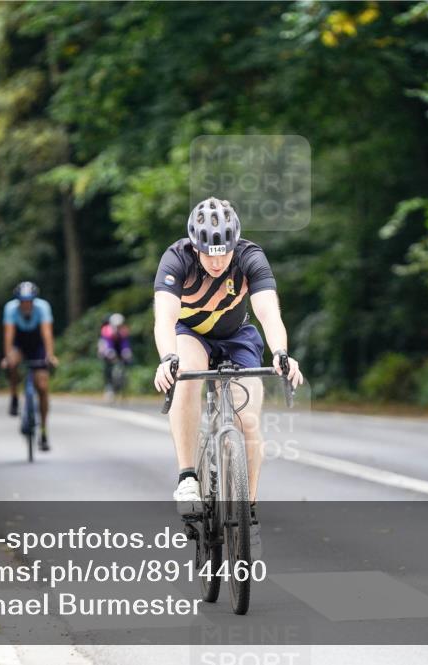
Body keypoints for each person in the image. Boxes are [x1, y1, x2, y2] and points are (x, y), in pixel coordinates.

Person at [152, 197, 304, 552]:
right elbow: (164, 319)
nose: (218, 261)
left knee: (247, 419)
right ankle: (188, 476)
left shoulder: (250, 256)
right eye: (209, 253)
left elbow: (268, 312)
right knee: (188, 372)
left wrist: (281, 352)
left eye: (225, 252)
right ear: (195, 245)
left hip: (238, 336)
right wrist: (167, 358)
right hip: (191, 335)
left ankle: (248, 513)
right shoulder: (176, 259)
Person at [1, 281, 58, 451]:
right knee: (12, 363)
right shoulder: (10, 309)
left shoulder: (43, 307)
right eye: (23, 302)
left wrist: (50, 355)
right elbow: (9, 335)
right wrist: (7, 356)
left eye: (29, 301)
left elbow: (47, 333)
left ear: (34, 300)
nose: (26, 305)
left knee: (42, 385)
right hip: (20, 342)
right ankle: (14, 396)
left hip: (37, 343)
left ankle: (44, 431)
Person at [98, 313, 133, 398]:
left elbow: (125, 343)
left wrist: (126, 351)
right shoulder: (106, 330)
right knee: (108, 366)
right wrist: (108, 352)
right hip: (107, 346)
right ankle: (108, 386)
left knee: (127, 360)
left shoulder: (123, 330)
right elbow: (107, 343)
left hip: (118, 347)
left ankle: (123, 382)